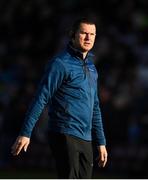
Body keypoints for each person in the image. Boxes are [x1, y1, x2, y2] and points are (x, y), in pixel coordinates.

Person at [11, 16, 108, 179]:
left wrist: (101, 141)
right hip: (64, 132)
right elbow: (41, 98)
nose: (88, 38)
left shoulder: (92, 67)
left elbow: (95, 107)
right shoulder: (60, 63)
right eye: (84, 33)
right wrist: (26, 133)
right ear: (72, 35)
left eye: (92, 34)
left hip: (85, 137)